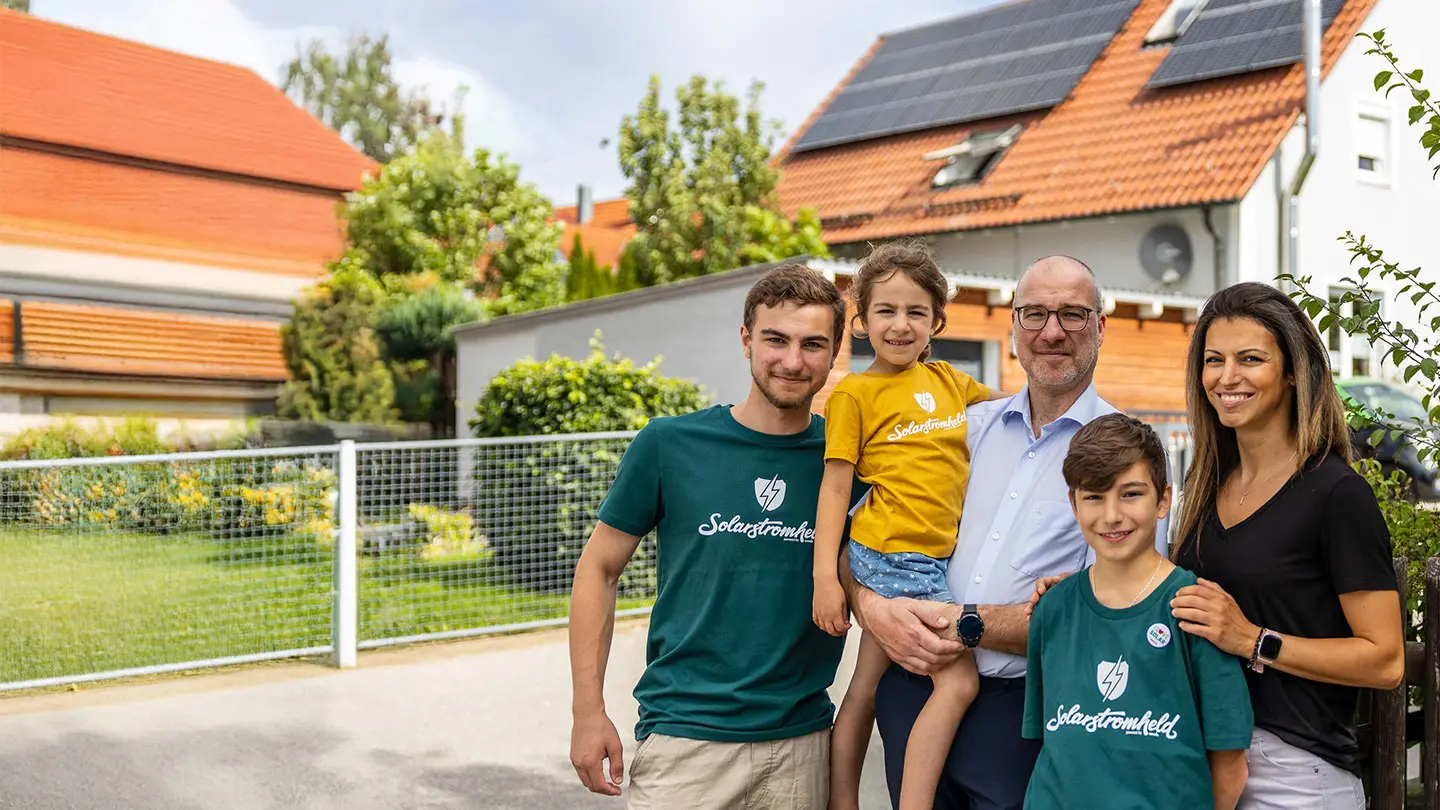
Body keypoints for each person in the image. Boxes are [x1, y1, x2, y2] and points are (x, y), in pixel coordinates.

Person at [846, 255, 1168, 810]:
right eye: (1035, 314)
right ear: (1013, 326)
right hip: (912, 690)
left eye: (1072, 314)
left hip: (1026, 718)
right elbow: (860, 538)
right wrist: (871, 608)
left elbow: (1119, 618)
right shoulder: (959, 428)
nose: (1052, 332)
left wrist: (965, 623)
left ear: (1100, 326)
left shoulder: (1124, 455)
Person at [567, 262, 853, 809]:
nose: (793, 361)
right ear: (746, 340)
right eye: (775, 339)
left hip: (803, 744)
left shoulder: (846, 459)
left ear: (834, 351)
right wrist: (587, 710)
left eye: (813, 344)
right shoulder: (670, 445)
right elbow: (598, 569)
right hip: (685, 741)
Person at [1168, 281, 1405, 808]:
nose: (1227, 377)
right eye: (1214, 360)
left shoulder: (1337, 493)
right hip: (1204, 759)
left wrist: (1253, 639)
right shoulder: (1207, 488)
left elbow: (1385, 660)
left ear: (1294, 372)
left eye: (1250, 359)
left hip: (1297, 775)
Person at [813, 241, 1005, 810]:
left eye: (916, 312)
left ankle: (841, 803)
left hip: (927, 556)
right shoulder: (855, 392)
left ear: (936, 321)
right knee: (960, 681)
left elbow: (1020, 413)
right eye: (886, 311)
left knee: (864, 691)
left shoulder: (950, 381)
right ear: (863, 320)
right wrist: (827, 576)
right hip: (894, 555)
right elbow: (834, 488)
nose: (900, 325)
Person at [1022, 413, 1252, 810]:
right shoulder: (1053, 609)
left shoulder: (1195, 609)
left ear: (1163, 500)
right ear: (1073, 504)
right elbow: (1054, 745)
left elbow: (1231, 767)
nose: (1111, 516)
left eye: (1130, 494)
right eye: (1093, 496)